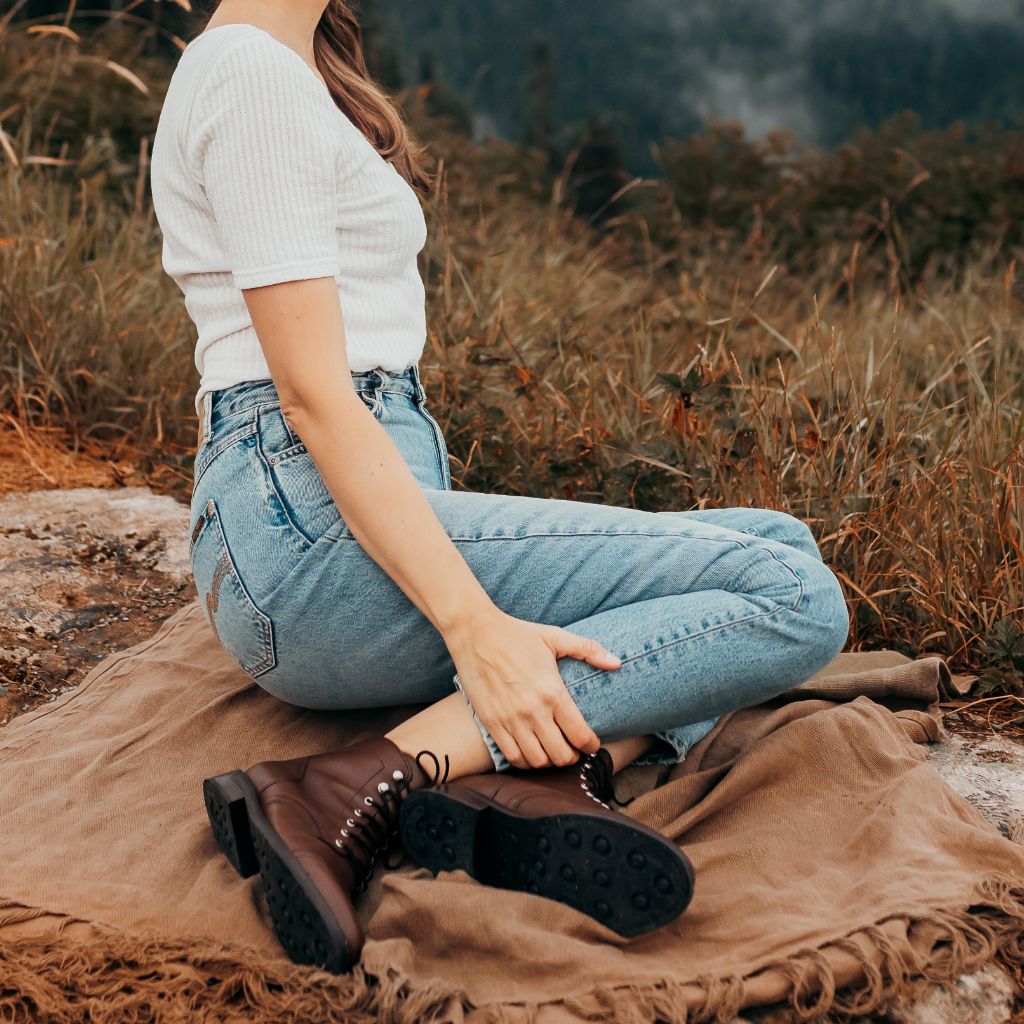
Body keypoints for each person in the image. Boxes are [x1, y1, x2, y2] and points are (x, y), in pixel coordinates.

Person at [150, 0, 850, 974]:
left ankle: (551, 766)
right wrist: (475, 627)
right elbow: (310, 397)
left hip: (323, 505)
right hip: (302, 534)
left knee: (779, 539)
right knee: (795, 599)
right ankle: (355, 781)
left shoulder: (288, 67)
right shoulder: (249, 74)